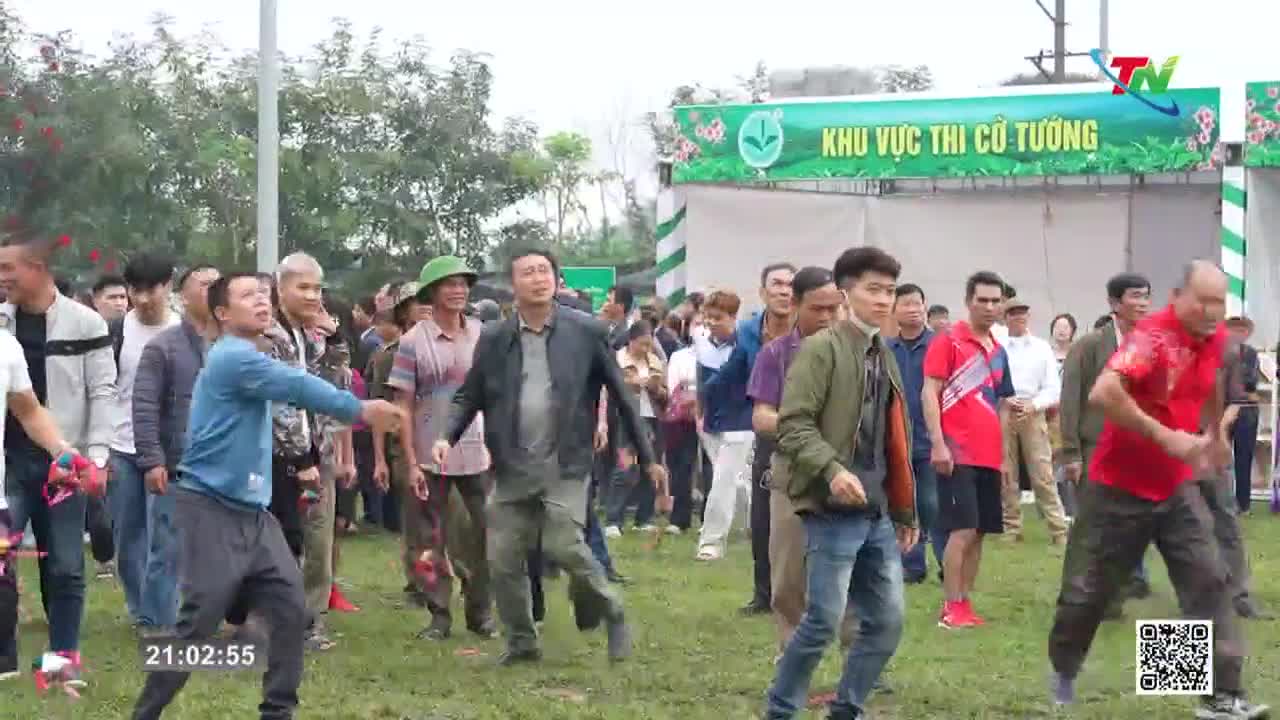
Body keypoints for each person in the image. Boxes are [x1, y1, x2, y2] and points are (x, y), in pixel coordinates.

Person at [130, 272, 403, 720]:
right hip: (210, 508)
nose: (261, 301)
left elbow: (295, 387)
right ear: (221, 312)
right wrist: (359, 408)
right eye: (247, 296)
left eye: (263, 294)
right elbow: (296, 387)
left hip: (253, 513)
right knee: (196, 626)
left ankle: (278, 711)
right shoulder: (233, 358)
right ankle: (145, 713)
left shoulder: (254, 354)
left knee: (290, 609)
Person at [1047, 261, 1269, 720]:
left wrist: (1215, 437)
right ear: (1177, 297)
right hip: (1117, 487)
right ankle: (1064, 668)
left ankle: (1218, 699)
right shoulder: (1153, 336)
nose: (1211, 311)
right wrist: (1166, 436)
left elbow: (1208, 386)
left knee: (1205, 579)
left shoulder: (1214, 342)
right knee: (1089, 593)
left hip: (1175, 486)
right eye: (1202, 301)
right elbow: (1104, 393)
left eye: (1219, 302)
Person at [432, 247, 666, 665]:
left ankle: (611, 607)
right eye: (528, 272)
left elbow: (622, 397)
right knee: (502, 558)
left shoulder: (587, 332)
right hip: (511, 465)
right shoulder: (495, 337)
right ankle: (522, 642)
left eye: (545, 271)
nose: (538, 278)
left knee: (563, 545)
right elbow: (470, 394)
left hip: (566, 462)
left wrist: (648, 456)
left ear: (556, 281)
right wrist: (447, 435)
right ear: (513, 284)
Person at [764, 248, 917, 720]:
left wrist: (905, 510)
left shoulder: (882, 354)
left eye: (890, 291)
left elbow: (893, 440)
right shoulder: (823, 349)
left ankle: (845, 709)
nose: (884, 300)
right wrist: (833, 470)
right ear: (846, 293)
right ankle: (780, 709)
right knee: (822, 621)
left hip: (875, 513)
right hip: (832, 508)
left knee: (887, 623)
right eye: (874, 289)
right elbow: (793, 425)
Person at [0, 236, 115, 681]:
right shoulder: (3, 326)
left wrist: (97, 458)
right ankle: (5, 657)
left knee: (66, 563)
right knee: (4, 558)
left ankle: (61, 660)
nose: (2, 277)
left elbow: (103, 391)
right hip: (9, 460)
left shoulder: (85, 323)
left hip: (63, 462)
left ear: (39, 267)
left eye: (8, 268)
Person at [388, 256, 496, 641]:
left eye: (463, 284)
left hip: (478, 452)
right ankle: (438, 614)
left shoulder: (484, 335)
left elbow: (494, 394)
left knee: (486, 533)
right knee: (428, 539)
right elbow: (402, 405)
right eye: (449, 284)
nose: (458, 290)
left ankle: (481, 611)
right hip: (428, 454)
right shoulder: (412, 341)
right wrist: (411, 461)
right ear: (431, 292)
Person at [745, 267, 846, 654]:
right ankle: (792, 653)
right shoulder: (776, 353)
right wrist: (804, 428)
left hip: (849, 474)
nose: (826, 317)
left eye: (833, 308)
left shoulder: (856, 351)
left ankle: (860, 658)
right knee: (787, 575)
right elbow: (761, 416)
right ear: (797, 304)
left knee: (853, 572)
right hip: (792, 475)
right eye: (818, 308)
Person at [0, 329, 98, 681]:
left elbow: (28, 411)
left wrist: (61, 448)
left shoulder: (7, 345)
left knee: (13, 579)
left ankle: (36, 665)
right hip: (12, 476)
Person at [130, 264, 220, 640]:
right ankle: (157, 622)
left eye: (220, 284)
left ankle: (204, 619)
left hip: (221, 466)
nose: (214, 290)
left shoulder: (235, 344)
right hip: (176, 462)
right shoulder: (163, 346)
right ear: (183, 295)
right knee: (167, 545)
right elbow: (145, 405)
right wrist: (152, 460)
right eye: (205, 284)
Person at [922, 270, 1015, 629]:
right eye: (983, 300)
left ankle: (965, 603)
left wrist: (1005, 456)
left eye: (996, 300)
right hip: (957, 454)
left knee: (979, 532)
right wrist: (938, 444)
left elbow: (1004, 404)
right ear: (968, 301)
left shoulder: (999, 350)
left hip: (989, 456)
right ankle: (950, 606)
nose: (990, 307)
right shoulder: (949, 342)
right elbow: (930, 392)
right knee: (961, 530)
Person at [1058, 273, 1153, 617]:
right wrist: (1070, 452)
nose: (1142, 303)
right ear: (1115, 304)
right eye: (1135, 296)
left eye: (1146, 296)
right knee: (1090, 526)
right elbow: (1069, 400)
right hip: (1095, 448)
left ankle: (1111, 597)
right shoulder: (1090, 345)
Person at [704, 262, 795, 608]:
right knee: (762, 516)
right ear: (763, 292)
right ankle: (763, 593)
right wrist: (706, 398)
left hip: (811, 430)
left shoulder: (810, 330)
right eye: (777, 284)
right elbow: (735, 370)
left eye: (790, 285)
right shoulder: (747, 331)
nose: (784, 291)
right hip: (768, 429)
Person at [108, 252, 181, 633]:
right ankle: (141, 609)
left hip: (167, 451)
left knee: (165, 537)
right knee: (128, 536)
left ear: (168, 285)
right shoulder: (117, 331)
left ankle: (161, 614)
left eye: (151, 289)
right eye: (134, 290)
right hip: (121, 446)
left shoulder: (182, 332)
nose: (142, 298)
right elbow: (106, 388)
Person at [997, 298, 1069, 545]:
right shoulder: (998, 345)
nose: (1019, 317)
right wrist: (1005, 400)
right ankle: (1011, 528)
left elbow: (1053, 388)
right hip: (1003, 409)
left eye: (1023, 313)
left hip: (1033, 410)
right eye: (1013, 313)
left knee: (1043, 472)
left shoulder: (1041, 348)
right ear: (1005, 317)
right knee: (1006, 473)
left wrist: (1033, 405)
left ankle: (1058, 530)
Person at [693, 289, 755, 562]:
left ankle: (711, 542)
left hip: (741, 420)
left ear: (733, 317)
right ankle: (757, 525)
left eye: (717, 318)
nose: (710, 323)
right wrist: (698, 410)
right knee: (739, 482)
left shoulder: (748, 342)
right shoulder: (701, 341)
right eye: (707, 317)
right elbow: (700, 376)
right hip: (711, 421)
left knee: (722, 481)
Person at [887, 283, 941, 583]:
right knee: (904, 506)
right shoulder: (885, 349)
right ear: (895, 311)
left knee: (932, 504)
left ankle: (948, 562)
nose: (913, 309)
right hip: (896, 440)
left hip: (930, 439)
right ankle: (912, 565)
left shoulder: (939, 346)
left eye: (917, 304)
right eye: (906, 304)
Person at [604, 321, 667, 535]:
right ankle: (614, 519)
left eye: (649, 345)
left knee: (651, 467)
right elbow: (608, 388)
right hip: (625, 419)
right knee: (624, 467)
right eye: (642, 344)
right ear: (631, 341)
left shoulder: (655, 362)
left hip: (652, 418)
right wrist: (630, 384)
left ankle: (644, 517)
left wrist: (656, 388)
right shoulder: (617, 359)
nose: (646, 349)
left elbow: (665, 394)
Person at [1223, 316, 1260, 514]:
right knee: (1218, 458)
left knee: (1243, 457)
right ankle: (1219, 501)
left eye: (1243, 331)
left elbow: (1251, 380)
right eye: (1234, 329)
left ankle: (1243, 504)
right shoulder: (1216, 352)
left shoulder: (1251, 353)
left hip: (1245, 411)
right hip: (1221, 410)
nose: (1239, 334)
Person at [1048, 313, 1078, 517]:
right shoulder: (1045, 355)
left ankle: (1070, 508)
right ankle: (1053, 508)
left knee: (1068, 457)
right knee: (1050, 459)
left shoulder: (1078, 355)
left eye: (1065, 327)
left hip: (1070, 412)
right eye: (1058, 326)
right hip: (1049, 413)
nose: (1061, 330)